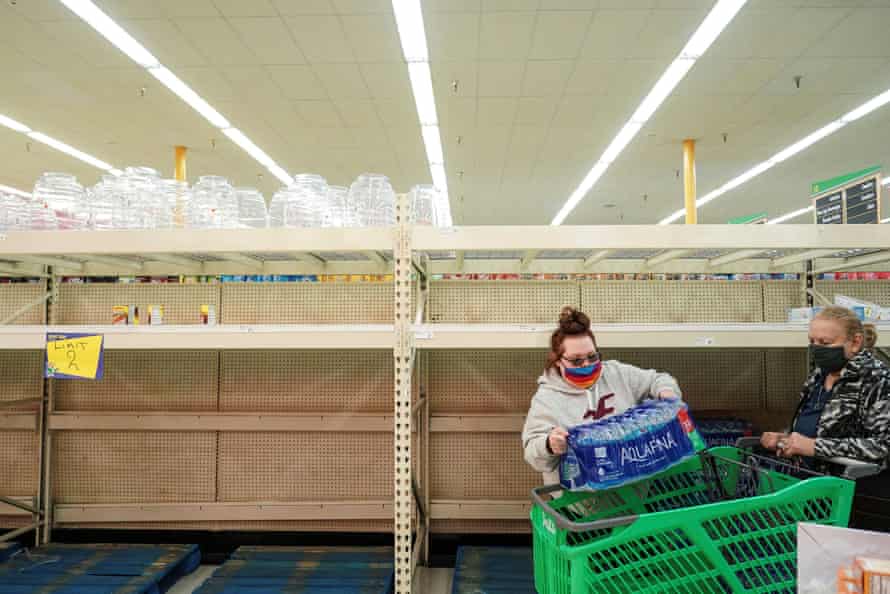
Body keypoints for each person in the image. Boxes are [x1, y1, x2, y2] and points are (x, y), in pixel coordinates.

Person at [760, 305, 890, 530]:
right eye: (813, 342)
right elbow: (815, 427)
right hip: (817, 495)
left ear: (855, 342)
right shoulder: (819, 376)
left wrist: (814, 447)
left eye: (826, 343)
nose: (817, 349)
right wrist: (785, 439)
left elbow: (883, 446)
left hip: (859, 503)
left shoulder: (877, 380)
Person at [522, 306, 682, 485]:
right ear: (559, 361)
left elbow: (658, 379)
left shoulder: (617, 374)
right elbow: (532, 453)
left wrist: (666, 394)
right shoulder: (547, 398)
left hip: (633, 496)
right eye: (576, 360)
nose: (586, 365)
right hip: (579, 504)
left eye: (592, 356)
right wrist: (548, 445)